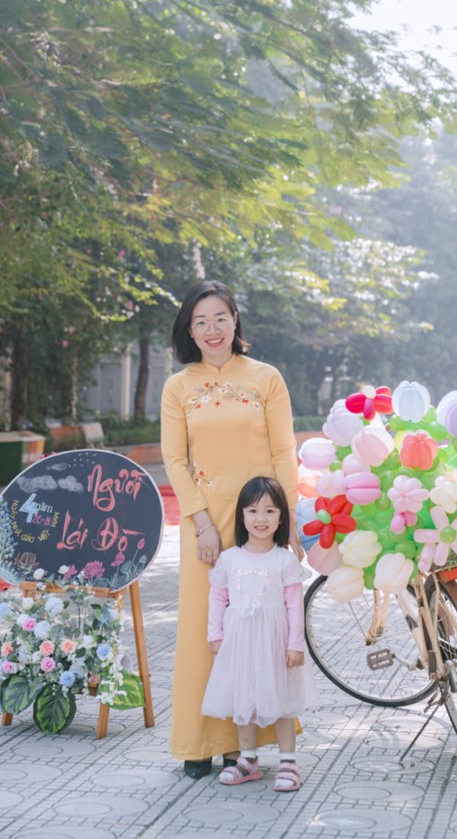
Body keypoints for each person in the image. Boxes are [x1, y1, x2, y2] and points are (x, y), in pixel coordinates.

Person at [161, 280, 303, 780]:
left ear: (235, 320)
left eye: (220, 318)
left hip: (259, 519)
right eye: (200, 321)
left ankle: (246, 746)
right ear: (189, 330)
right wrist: (201, 522)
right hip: (204, 523)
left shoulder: (266, 378)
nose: (212, 329)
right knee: (207, 629)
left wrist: (286, 520)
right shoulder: (178, 387)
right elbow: (175, 459)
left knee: (259, 626)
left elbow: (284, 451)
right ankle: (200, 742)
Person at [202, 476, 307, 791]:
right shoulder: (229, 558)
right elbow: (217, 597)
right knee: (243, 697)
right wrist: (215, 634)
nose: (261, 518)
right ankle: (247, 759)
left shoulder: (284, 560)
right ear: (242, 516)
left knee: (282, 699)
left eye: (270, 511)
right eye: (253, 511)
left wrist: (295, 644)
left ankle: (288, 761)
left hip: (276, 642)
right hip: (239, 642)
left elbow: (295, 606)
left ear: (281, 518)